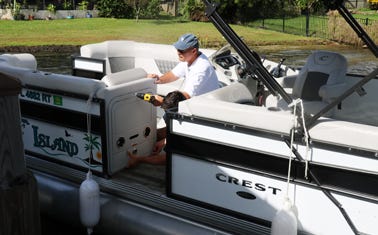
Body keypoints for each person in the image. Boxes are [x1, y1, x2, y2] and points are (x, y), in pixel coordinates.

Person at [127, 33, 220, 168]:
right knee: (158, 134)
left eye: (181, 50)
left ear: (193, 51)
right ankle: (160, 143)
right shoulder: (189, 59)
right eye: (177, 49)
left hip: (201, 116)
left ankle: (140, 159)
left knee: (174, 151)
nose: (178, 52)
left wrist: (161, 102)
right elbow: (173, 75)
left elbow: (182, 99)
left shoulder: (201, 69)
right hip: (191, 107)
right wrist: (157, 79)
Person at [127, 90, 187, 167]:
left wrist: (140, 159)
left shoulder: (184, 126)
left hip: (186, 149)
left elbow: (167, 159)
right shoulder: (180, 105)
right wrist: (162, 142)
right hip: (176, 132)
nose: (166, 112)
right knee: (159, 133)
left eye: (168, 112)